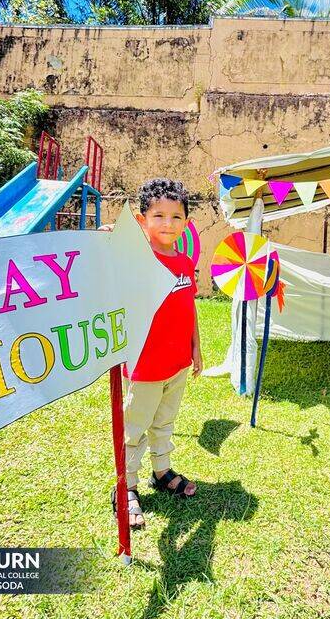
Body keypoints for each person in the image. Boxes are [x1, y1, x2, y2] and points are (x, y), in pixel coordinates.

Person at [107, 178, 202, 531]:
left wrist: (197, 347)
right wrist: (112, 238)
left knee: (165, 421)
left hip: (177, 363)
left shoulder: (184, 260)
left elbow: (188, 306)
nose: (167, 224)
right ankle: (126, 487)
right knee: (134, 428)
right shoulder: (136, 258)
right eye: (158, 215)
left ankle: (161, 472)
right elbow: (108, 258)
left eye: (176, 217)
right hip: (144, 365)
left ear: (186, 222)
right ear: (141, 218)